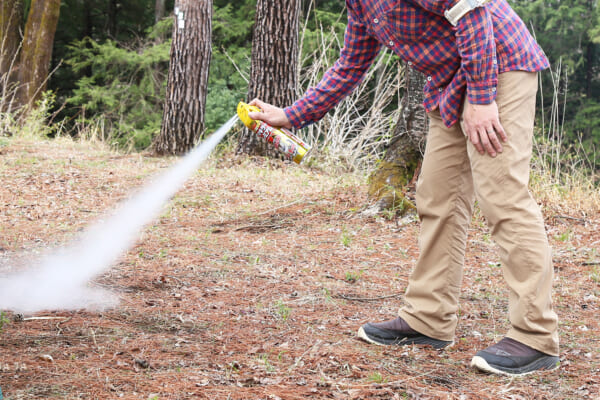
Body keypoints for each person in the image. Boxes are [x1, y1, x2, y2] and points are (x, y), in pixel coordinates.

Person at [248, 0, 559, 376]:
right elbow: (349, 65)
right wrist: (290, 115)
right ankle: (429, 319)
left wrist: (481, 99)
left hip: (499, 63)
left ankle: (535, 336)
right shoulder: (360, 6)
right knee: (437, 196)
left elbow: (472, 11)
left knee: (502, 195)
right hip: (452, 78)